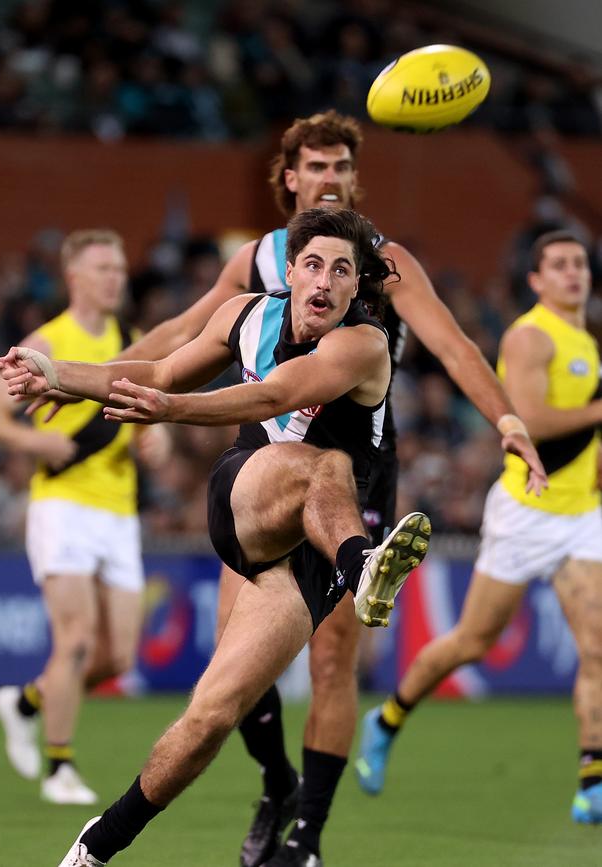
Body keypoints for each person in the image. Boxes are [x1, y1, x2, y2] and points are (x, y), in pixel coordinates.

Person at [30, 110, 546, 865]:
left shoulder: (377, 293)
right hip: (255, 469)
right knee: (304, 495)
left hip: (351, 472)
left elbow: (452, 344)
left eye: (343, 167)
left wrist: (505, 418)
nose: (330, 178)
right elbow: (174, 351)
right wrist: (69, 377)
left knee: (237, 697)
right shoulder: (252, 278)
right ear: (291, 179)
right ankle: (289, 752)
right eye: (318, 166)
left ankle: (195, 841)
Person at [0, 207, 433, 866]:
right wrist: (59, 373)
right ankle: (363, 562)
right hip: (246, 503)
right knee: (327, 464)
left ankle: (94, 845)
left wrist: (171, 410)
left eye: (341, 270)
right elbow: (163, 371)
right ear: (291, 272)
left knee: (211, 715)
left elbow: (271, 394)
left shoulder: (363, 344)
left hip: (304, 561)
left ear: (354, 289)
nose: (324, 279)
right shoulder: (247, 314)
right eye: (312, 263)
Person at [355, 230, 602, 826]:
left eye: (580, 264)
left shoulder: (585, 340)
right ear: (537, 281)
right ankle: (387, 718)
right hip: (525, 514)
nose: (574, 273)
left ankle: (592, 780)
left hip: (581, 517)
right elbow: (532, 421)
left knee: (597, 646)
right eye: (559, 266)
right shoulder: (529, 335)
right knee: (471, 642)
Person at [0, 229, 167, 805]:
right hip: (62, 505)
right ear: (75, 277)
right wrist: (38, 446)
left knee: (119, 656)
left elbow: (135, 417)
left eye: (120, 267)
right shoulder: (48, 339)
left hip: (118, 510)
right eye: (104, 267)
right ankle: (59, 766)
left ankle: (25, 701)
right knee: (75, 639)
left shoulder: (131, 340)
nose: (116, 277)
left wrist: (150, 441)